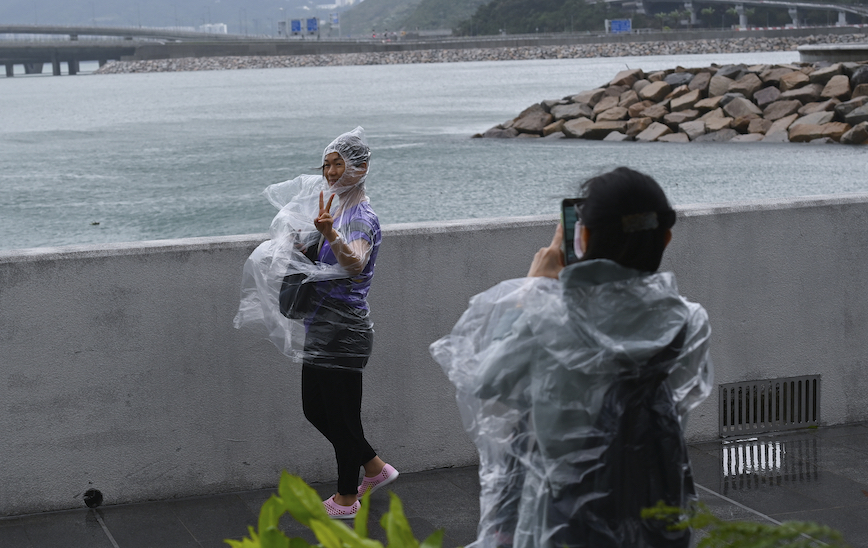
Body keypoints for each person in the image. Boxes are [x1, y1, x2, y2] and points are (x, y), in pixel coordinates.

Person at [430, 167, 713, 548]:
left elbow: (485, 380)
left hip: (562, 516)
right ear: (665, 238)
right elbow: (678, 393)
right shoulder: (690, 321)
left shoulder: (546, 319)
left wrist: (534, 289)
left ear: (582, 237)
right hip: (655, 500)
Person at [234, 126, 398, 520]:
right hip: (322, 326)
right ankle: (375, 468)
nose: (329, 172)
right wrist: (302, 240)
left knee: (342, 417)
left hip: (345, 331)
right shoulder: (335, 208)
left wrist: (329, 233)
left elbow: (355, 261)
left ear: (360, 167)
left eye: (337, 164)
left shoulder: (360, 216)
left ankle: (346, 498)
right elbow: (319, 256)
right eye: (325, 164)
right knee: (315, 410)